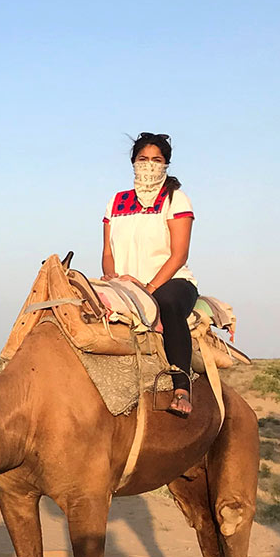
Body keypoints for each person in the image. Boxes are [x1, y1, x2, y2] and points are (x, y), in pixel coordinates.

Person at [101, 132, 198, 417]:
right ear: (133, 163)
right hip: (125, 286)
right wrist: (113, 279)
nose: (149, 165)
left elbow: (179, 254)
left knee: (167, 304)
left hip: (170, 282)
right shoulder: (116, 202)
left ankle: (182, 386)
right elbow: (108, 251)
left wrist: (148, 287)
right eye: (143, 159)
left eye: (156, 160)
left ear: (166, 164)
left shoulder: (176, 199)